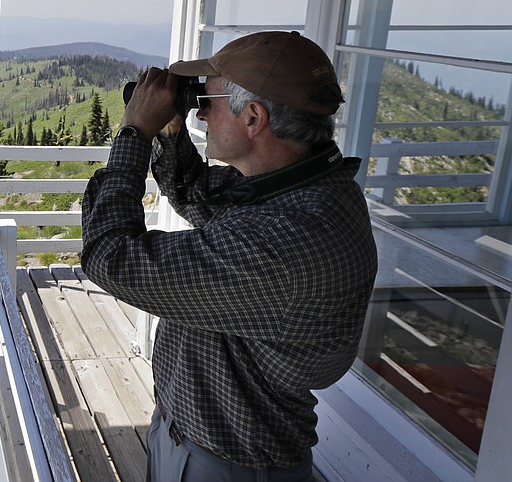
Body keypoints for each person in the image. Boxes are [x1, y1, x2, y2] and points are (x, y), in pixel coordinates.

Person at [80, 31, 377, 482]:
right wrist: (171, 130)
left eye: (209, 100)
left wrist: (134, 132)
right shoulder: (303, 188)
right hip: (197, 438)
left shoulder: (286, 238)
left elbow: (111, 256)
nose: (200, 111)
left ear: (254, 117)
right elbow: (196, 195)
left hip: (226, 463)